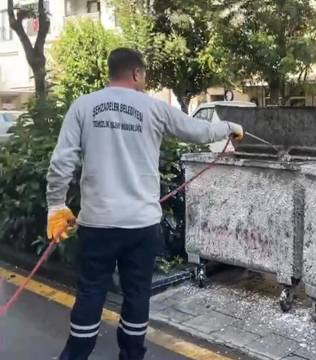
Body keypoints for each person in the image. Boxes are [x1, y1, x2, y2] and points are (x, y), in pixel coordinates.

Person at [46, 47, 244, 360]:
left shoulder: (83, 106)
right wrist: (230, 128)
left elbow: (61, 162)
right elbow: (200, 131)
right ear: (137, 73)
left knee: (91, 291)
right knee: (137, 295)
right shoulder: (154, 108)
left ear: (111, 72)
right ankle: (132, 355)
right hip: (141, 226)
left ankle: (75, 355)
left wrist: (56, 206)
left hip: (97, 224)